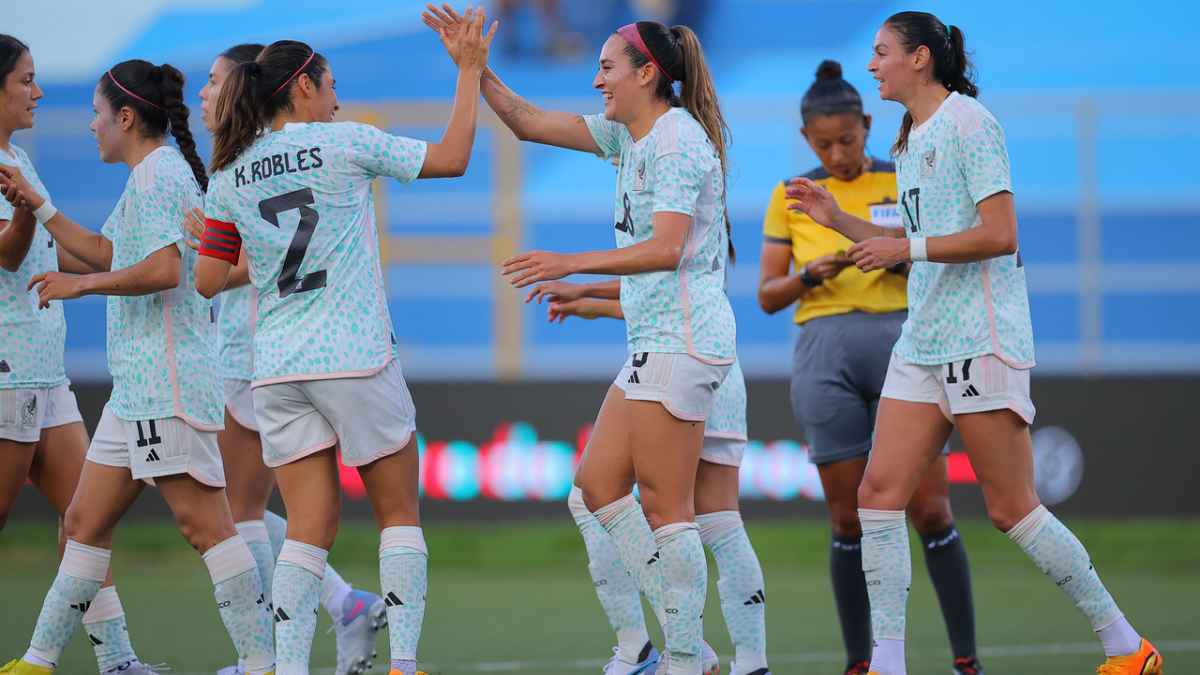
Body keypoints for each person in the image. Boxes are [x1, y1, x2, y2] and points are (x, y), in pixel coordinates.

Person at [787, 12, 1162, 675]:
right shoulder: (908, 139)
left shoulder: (971, 124)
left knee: (1011, 508)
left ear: (921, 59)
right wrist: (835, 217)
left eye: (881, 53)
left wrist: (909, 246)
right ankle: (889, 663)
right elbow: (911, 242)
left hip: (980, 336)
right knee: (877, 495)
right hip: (923, 339)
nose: (871, 65)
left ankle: (1126, 645)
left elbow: (1000, 233)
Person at [423, 6, 735, 673]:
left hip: (684, 341)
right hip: (658, 339)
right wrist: (474, 70)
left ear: (648, 73)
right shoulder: (632, 138)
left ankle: (685, 657)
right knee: (595, 485)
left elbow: (668, 248)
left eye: (606, 68)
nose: (597, 81)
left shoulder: (676, 141)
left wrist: (572, 264)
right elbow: (530, 122)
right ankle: (688, 650)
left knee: (666, 507)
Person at [195, 14, 496, 675]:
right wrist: (469, 71)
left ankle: (289, 666)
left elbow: (207, 277)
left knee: (305, 530)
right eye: (331, 84)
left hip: (277, 367)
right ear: (302, 87)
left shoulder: (230, 174)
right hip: (355, 355)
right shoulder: (345, 143)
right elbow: (452, 158)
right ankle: (404, 663)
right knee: (397, 513)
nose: (337, 98)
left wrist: (257, 249)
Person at [0, 59, 275, 675]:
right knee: (82, 521)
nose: (91, 126)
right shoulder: (150, 174)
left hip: (167, 381)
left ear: (125, 117)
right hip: (136, 389)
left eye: (98, 115)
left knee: (205, 525)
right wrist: (40, 208)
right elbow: (109, 249)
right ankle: (38, 661)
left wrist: (82, 286)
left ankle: (264, 663)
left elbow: (159, 272)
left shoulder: (159, 177)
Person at [758, 60, 980, 675]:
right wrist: (809, 274)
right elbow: (767, 296)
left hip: (905, 347)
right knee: (848, 517)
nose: (837, 153)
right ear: (806, 140)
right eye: (823, 144)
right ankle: (862, 663)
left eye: (848, 140)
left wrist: (887, 257)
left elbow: (936, 262)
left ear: (867, 125)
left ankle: (966, 658)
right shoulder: (791, 196)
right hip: (822, 357)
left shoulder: (901, 178)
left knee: (930, 509)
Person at [190, 42, 387, 675]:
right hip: (257, 344)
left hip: (263, 347)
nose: (204, 94)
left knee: (241, 509)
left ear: (245, 87)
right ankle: (336, 608)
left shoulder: (248, 167)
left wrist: (216, 261)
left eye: (215, 81)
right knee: (254, 508)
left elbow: (266, 262)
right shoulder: (241, 163)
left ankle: (267, 658)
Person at [0, 34, 156, 675]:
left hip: (46, 374)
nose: (37, 92)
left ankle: (118, 661)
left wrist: (110, 266)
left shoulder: (19, 163)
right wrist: (33, 214)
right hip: (7, 375)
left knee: (84, 523)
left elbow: (44, 250)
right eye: (25, 80)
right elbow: (10, 251)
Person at [538, 279, 770, 675]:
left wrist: (583, 284)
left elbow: (660, 279)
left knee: (592, 495)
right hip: (718, 362)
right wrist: (592, 301)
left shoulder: (674, 219)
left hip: (671, 359)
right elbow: (673, 286)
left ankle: (654, 647)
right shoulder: (708, 226)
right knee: (721, 520)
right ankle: (751, 664)